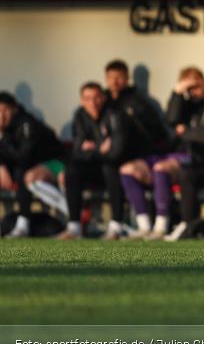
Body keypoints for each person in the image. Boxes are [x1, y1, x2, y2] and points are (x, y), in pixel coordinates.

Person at [60, 82, 153, 240]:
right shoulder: (80, 116)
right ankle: (74, 226)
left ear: (103, 98)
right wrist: (99, 147)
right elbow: (77, 152)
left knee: (110, 167)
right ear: (82, 101)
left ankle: (116, 225)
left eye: (96, 98)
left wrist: (91, 148)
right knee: (72, 170)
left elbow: (116, 153)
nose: (93, 103)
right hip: (97, 167)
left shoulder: (115, 114)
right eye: (87, 99)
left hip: (120, 169)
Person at [155, 67, 204, 241]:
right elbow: (171, 120)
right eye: (189, 84)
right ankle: (186, 224)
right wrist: (177, 92)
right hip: (189, 161)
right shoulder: (184, 104)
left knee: (192, 170)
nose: (194, 88)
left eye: (196, 82)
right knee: (184, 172)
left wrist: (186, 131)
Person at [0, 92, 67, 237]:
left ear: (15, 109)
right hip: (29, 166)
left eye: (4, 110)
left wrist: (3, 137)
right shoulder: (6, 130)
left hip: (59, 163)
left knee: (26, 175)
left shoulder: (27, 124)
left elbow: (23, 157)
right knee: (21, 172)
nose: (1, 116)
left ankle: (72, 212)